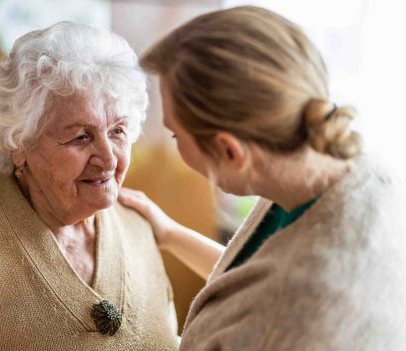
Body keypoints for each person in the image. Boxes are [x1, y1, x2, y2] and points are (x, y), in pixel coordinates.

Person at [119, 6, 406, 350]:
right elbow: (253, 282)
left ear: (229, 151)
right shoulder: (340, 166)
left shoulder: (306, 312)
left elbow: (273, 301)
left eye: (176, 136)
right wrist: (169, 233)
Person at [0, 22, 179, 351]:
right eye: (81, 136)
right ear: (20, 143)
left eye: (118, 131)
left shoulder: (137, 227)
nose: (108, 159)